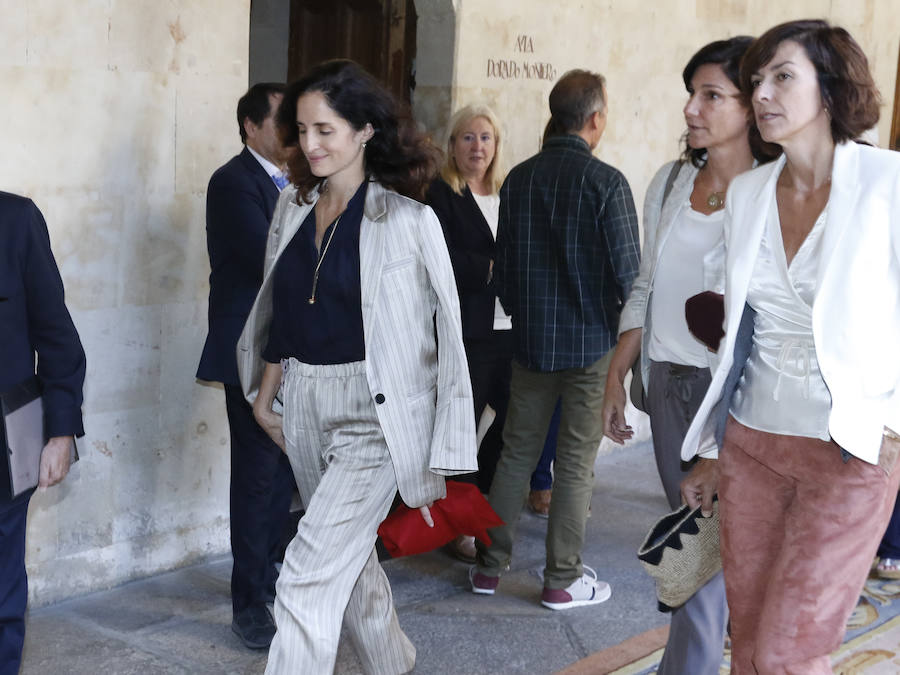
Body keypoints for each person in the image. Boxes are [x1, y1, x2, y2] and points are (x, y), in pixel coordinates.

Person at [236, 59, 477, 673]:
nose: (310, 144)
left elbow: (449, 334)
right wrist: (267, 400)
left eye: (326, 130)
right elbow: (282, 310)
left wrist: (444, 441)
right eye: (302, 129)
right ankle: (394, 663)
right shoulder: (291, 208)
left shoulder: (410, 222)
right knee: (350, 564)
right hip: (305, 405)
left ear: (365, 130)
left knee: (307, 577)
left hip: (375, 415)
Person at [680, 20, 900, 673]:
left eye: (782, 76)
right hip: (752, 445)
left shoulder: (888, 183)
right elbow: (739, 334)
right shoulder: (748, 192)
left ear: (828, 88)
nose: (764, 93)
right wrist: (717, 449)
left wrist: (894, 420)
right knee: (748, 640)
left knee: (788, 650)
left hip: (849, 453)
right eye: (757, 80)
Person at [602, 37, 777, 674]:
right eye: (691, 93)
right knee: (696, 563)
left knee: (708, 577)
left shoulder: (776, 193)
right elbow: (646, 284)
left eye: (711, 96)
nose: (691, 108)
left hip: (741, 397)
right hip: (672, 388)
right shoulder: (672, 180)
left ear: (751, 104)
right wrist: (619, 369)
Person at [470, 69, 641, 609]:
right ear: (594, 118)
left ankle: (488, 567)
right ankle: (561, 579)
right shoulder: (607, 183)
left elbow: (503, 270)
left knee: (516, 453)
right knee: (573, 463)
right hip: (590, 344)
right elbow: (629, 276)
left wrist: (524, 320)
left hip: (530, 343)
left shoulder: (518, 179)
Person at [196, 82, 298, 650]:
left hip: (295, 353)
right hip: (251, 354)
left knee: (285, 473)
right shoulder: (233, 182)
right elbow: (274, 261)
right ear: (250, 127)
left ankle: (274, 572)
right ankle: (249, 601)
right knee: (258, 478)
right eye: (283, 120)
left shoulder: (302, 183)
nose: (294, 132)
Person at [0, 194, 86, 674]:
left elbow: (57, 336)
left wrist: (60, 434)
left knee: (1, 595)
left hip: (4, 442)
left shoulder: (16, 220)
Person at [426, 104, 509, 561]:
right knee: (462, 430)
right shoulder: (440, 194)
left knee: (513, 426)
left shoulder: (507, 191)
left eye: (485, 138)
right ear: (452, 145)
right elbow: (435, 256)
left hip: (510, 329)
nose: (477, 147)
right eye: (467, 138)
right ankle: (459, 526)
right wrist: (492, 268)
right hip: (466, 331)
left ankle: (484, 509)